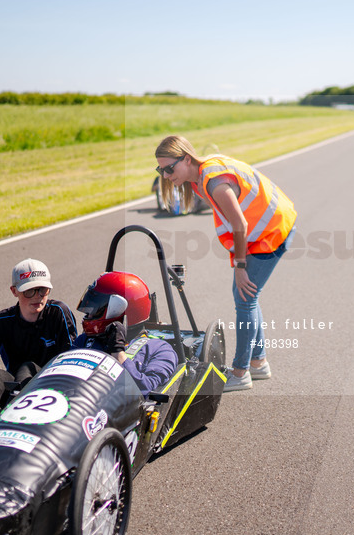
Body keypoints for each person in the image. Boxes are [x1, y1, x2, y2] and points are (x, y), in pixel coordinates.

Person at [155, 135, 297, 392]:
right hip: (265, 230)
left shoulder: (214, 182)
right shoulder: (200, 175)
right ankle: (258, 362)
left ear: (187, 159)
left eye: (168, 168)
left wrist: (241, 267)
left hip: (273, 230)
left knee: (244, 298)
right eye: (160, 170)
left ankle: (241, 372)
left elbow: (240, 224)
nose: (165, 175)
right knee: (247, 296)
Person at [0, 259, 77, 442]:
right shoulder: (3, 321)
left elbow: (72, 360)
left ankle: (15, 431)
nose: (38, 296)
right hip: (16, 390)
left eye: (42, 290)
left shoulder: (58, 312)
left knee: (27, 367)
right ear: (14, 291)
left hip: (54, 387)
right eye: (30, 291)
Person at [74, 271, 177, 395]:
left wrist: (119, 354)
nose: (88, 314)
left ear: (119, 310)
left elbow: (147, 390)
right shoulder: (84, 341)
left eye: (96, 308)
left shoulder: (159, 349)